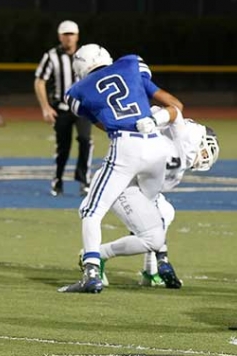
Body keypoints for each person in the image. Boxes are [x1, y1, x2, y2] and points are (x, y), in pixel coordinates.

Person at [57, 44, 182, 294]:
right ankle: (159, 260)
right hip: (159, 147)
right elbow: (174, 107)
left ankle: (91, 271)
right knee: (153, 213)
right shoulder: (132, 64)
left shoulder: (76, 91)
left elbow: (102, 123)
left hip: (127, 145)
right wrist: (152, 120)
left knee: (90, 210)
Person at [83, 113, 220, 289]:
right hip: (119, 185)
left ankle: (149, 272)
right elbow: (168, 111)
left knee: (165, 214)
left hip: (132, 184)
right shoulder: (174, 145)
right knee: (152, 229)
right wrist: (163, 257)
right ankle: (97, 255)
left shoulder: (174, 147)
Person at [34, 20, 93, 197]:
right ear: (60, 36)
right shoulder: (51, 56)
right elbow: (40, 81)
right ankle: (57, 179)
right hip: (61, 109)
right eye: (65, 34)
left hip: (83, 108)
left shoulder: (87, 55)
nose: (69, 38)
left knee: (85, 141)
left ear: (77, 36)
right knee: (63, 147)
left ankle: (84, 180)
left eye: (71, 34)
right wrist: (45, 107)